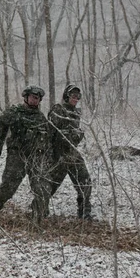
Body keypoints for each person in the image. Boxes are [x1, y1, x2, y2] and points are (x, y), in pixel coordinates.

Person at [0, 85, 52, 224]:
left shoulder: (40, 118)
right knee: (8, 188)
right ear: (26, 97)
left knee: (42, 189)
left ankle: (36, 220)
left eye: (38, 99)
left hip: (36, 157)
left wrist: (47, 155)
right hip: (17, 157)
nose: (36, 101)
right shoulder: (15, 112)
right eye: (33, 97)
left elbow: (46, 139)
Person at [48, 84, 93, 220]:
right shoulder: (58, 109)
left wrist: (77, 135)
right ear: (67, 96)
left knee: (85, 181)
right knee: (51, 185)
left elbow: (74, 137)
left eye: (78, 96)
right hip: (58, 153)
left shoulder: (76, 113)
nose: (76, 98)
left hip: (71, 152)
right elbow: (52, 132)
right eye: (73, 96)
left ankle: (84, 211)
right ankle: (39, 207)